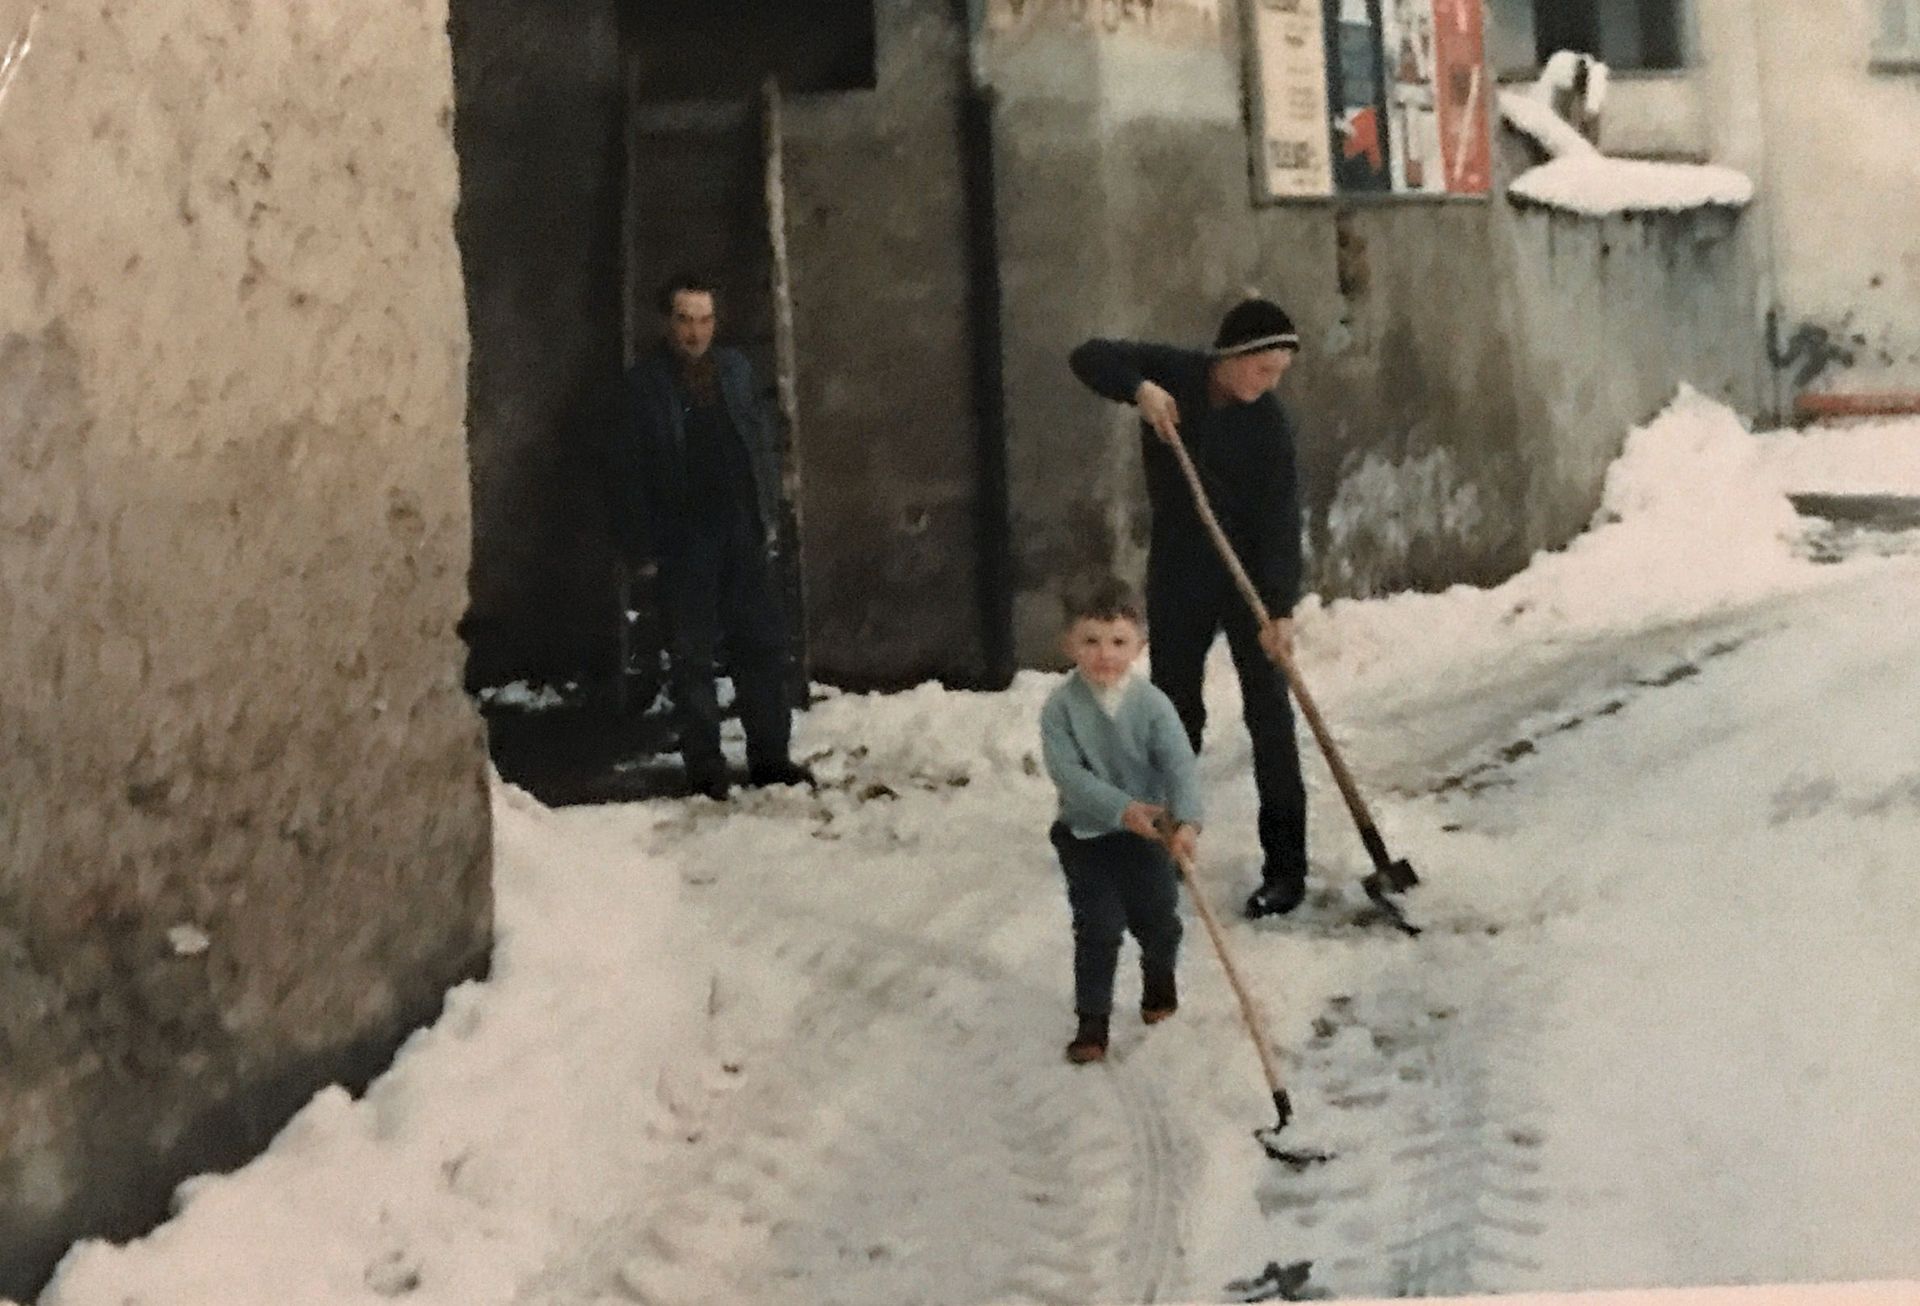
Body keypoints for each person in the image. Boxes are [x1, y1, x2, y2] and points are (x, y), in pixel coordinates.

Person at [1068, 298, 1309, 920]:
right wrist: (1140, 389)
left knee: (1271, 719)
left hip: (1247, 579)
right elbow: (1090, 357)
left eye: (1279, 373)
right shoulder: (1176, 374)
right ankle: (1162, 842)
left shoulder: (1270, 426)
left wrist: (1279, 608)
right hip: (1181, 573)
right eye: (1263, 370)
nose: (1270, 384)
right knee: (1173, 714)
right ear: (1231, 358)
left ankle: (1286, 870)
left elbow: (1283, 520)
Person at [607, 274, 811, 800]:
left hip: (739, 531)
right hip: (683, 539)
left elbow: (759, 442)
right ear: (667, 323)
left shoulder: (736, 372)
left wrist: (765, 512)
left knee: (761, 645)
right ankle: (705, 768)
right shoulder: (644, 385)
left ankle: (770, 757)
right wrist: (643, 547)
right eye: (684, 320)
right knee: (691, 655)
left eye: (705, 320)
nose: (696, 332)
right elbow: (626, 471)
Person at [1039, 579, 1202, 1065]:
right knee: (1099, 926)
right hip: (1087, 835)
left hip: (1149, 835)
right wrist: (1120, 809)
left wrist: (1188, 819)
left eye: (1117, 642)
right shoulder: (1060, 708)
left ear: (1138, 646)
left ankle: (1159, 983)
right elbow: (1067, 773)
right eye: (1090, 642)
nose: (1104, 655)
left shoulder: (1152, 706)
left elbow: (1179, 764)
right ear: (1070, 644)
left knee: (1158, 920)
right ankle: (1092, 1020)